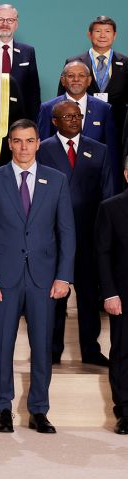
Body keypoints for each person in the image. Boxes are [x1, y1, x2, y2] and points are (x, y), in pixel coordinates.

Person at [0, 119, 75, 434]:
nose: (23, 147)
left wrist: (63, 276)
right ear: (10, 144)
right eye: (17, 141)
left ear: (38, 143)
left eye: (29, 141)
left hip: (43, 278)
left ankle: (39, 409)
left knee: (42, 345)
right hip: (3, 278)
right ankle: (3, 408)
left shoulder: (56, 180)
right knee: (2, 344)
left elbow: (67, 233)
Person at [37, 101, 116, 365]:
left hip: (87, 234)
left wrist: (103, 234)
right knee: (55, 293)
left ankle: (91, 349)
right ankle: (52, 349)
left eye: (77, 115)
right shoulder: (42, 149)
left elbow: (107, 195)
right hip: (53, 236)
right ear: (54, 121)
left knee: (88, 294)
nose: (73, 120)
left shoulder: (100, 150)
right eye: (66, 116)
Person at [95, 159, 128, 434]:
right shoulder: (111, 208)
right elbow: (102, 255)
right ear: (127, 173)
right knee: (122, 353)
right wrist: (110, 293)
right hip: (123, 295)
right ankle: (125, 411)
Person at [60, 16, 128, 139]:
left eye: (107, 31)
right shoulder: (74, 62)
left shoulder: (126, 63)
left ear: (115, 35)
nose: (102, 35)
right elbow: (62, 98)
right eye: (98, 31)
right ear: (89, 34)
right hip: (83, 125)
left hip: (117, 126)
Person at [38, 61, 118, 161]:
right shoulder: (48, 108)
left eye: (81, 75)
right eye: (71, 76)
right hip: (59, 171)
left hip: (94, 172)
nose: (76, 79)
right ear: (63, 80)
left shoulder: (104, 109)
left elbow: (111, 149)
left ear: (89, 80)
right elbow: (43, 147)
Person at [0, 4, 41, 122]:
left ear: (16, 24)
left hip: (20, 120)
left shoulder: (27, 52)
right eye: (0, 19)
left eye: (10, 20)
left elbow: (33, 94)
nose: (5, 24)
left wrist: (33, 124)